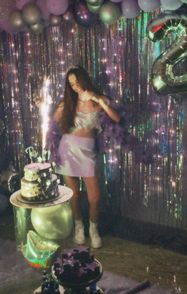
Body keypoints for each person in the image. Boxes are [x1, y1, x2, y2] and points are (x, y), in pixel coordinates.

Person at [52, 66, 121, 249]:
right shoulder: (69, 101)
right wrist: (58, 107)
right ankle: (79, 227)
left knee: (94, 197)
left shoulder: (98, 99)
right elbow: (54, 120)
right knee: (74, 195)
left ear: (84, 80)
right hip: (67, 149)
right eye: (71, 84)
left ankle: (93, 229)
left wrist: (100, 100)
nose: (75, 87)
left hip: (87, 151)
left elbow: (116, 118)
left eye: (77, 82)